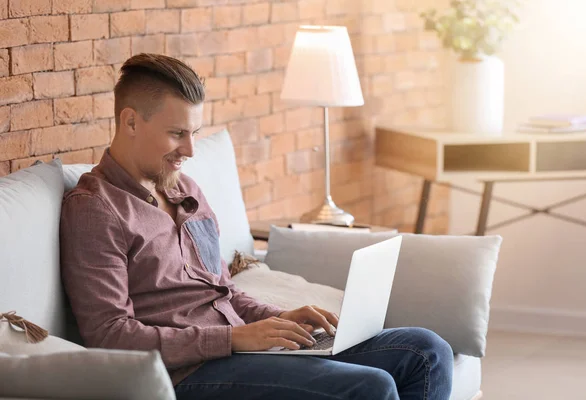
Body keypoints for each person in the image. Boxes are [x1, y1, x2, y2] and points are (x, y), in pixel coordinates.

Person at [60, 53, 453, 400]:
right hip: (186, 374)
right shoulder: (95, 209)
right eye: (177, 134)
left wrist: (279, 318)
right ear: (130, 122)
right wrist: (232, 339)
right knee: (371, 387)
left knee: (427, 351)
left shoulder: (185, 190)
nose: (190, 150)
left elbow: (224, 293)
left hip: (240, 348)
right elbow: (109, 335)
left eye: (194, 133)